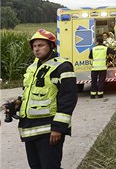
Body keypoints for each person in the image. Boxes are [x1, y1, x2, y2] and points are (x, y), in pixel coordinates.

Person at [18, 29, 78, 169]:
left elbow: (68, 99)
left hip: (50, 130)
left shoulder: (62, 66)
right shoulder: (32, 68)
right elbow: (30, 95)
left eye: (41, 45)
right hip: (30, 129)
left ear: (51, 46)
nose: (37, 49)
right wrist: (17, 104)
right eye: (34, 46)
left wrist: (58, 128)